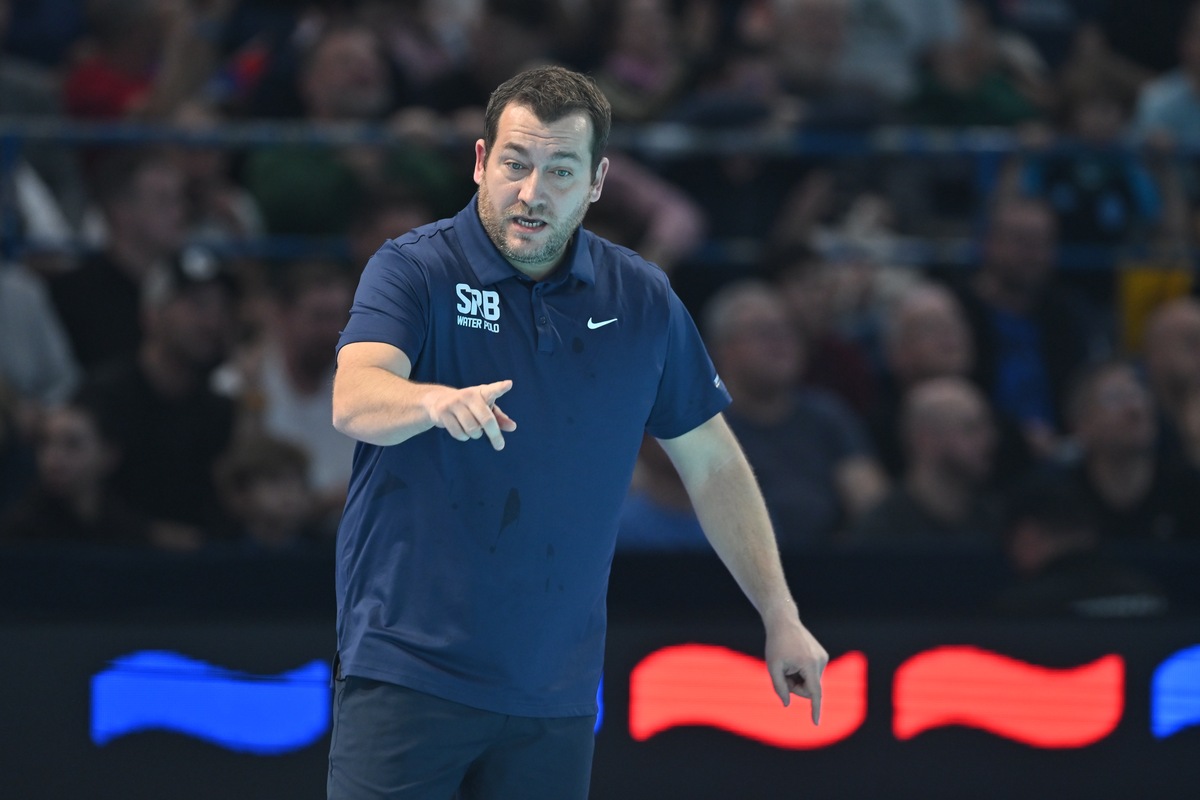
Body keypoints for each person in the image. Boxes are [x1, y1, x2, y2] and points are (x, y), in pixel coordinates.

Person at [328, 66, 828, 799]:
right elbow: (355, 392)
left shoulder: (643, 298)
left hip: (554, 698)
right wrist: (431, 402)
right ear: (479, 162)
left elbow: (715, 466)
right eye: (514, 164)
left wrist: (780, 613)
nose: (532, 193)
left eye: (560, 171)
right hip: (408, 675)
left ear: (596, 183)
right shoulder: (414, 269)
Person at [703, 279, 888, 548]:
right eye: (764, 332)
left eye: (789, 330)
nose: (781, 341)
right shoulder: (700, 426)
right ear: (721, 349)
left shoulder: (828, 416)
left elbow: (872, 507)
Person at [849, 376, 1002, 548]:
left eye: (987, 427)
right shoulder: (880, 532)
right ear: (925, 439)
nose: (989, 441)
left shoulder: (997, 524)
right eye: (971, 429)